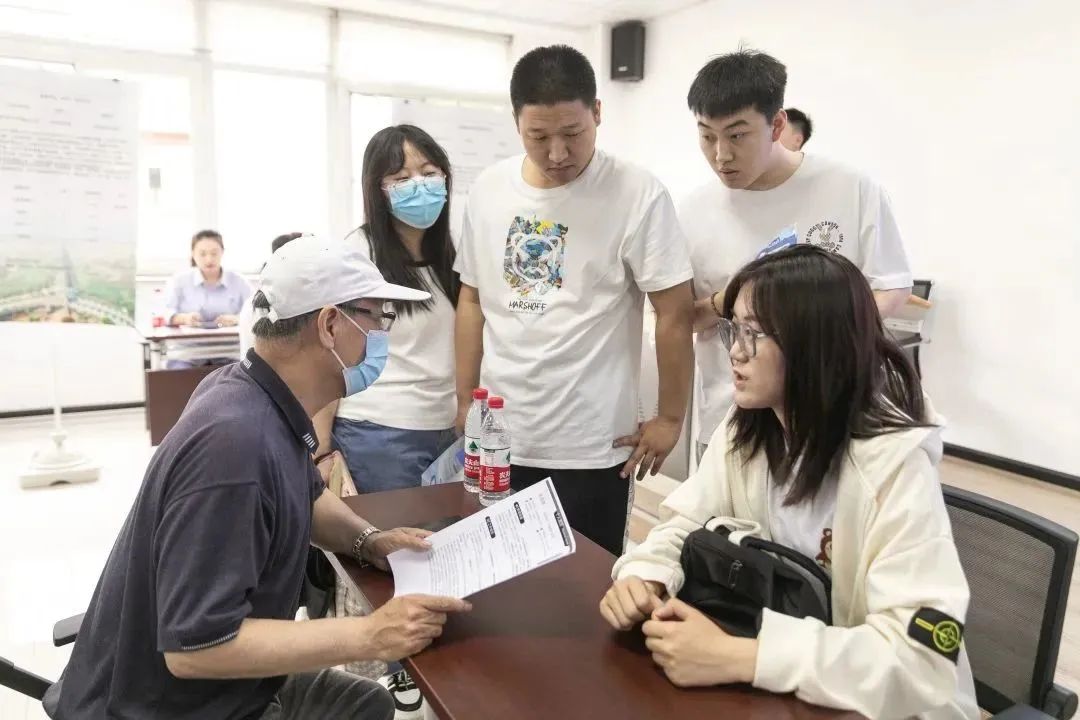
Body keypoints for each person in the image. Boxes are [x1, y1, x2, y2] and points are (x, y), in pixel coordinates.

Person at [43, 235, 472, 720]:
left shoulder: (251, 391)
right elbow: (195, 648)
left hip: (226, 689)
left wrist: (368, 541)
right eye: (377, 318)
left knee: (365, 702)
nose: (381, 334)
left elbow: (304, 494)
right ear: (330, 324)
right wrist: (371, 635)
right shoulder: (234, 447)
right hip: (167, 707)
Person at [600, 246, 978, 720]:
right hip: (784, 687)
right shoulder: (748, 428)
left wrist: (748, 657)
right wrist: (646, 575)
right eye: (734, 329)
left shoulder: (893, 467)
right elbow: (685, 522)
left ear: (815, 345)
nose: (735, 351)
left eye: (754, 334)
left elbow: (920, 661)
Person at [454, 45, 695, 556]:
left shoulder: (637, 193)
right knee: (497, 577)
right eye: (539, 137)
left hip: (592, 446)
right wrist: (462, 399)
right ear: (516, 123)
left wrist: (671, 417)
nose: (558, 153)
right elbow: (472, 300)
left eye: (573, 133)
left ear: (598, 113)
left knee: (586, 586)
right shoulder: (489, 190)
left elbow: (674, 311)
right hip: (500, 435)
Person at [680, 50, 913, 458]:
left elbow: (891, 287)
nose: (721, 155)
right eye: (707, 136)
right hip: (729, 422)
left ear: (777, 125)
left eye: (737, 136)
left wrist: (811, 330)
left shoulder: (850, 189)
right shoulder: (693, 211)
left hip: (834, 413)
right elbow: (682, 319)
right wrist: (730, 298)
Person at [329, 125, 459, 493]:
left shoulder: (450, 252)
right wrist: (320, 446)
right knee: (393, 533)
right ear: (378, 189)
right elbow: (331, 351)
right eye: (402, 178)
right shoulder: (360, 252)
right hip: (379, 431)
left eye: (429, 173)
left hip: (446, 429)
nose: (420, 185)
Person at [163, 229, 252, 369]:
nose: (209, 259)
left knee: (242, 374)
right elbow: (166, 312)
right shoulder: (179, 281)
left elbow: (255, 314)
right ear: (193, 254)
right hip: (188, 352)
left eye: (214, 253)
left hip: (229, 352)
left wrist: (236, 319)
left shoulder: (239, 282)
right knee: (177, 374)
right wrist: (184, 318)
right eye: (202, 254)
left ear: (222, 252)